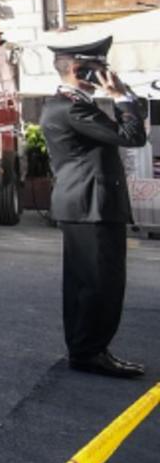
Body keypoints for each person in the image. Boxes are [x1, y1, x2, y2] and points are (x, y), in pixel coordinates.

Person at [42, 38, 148, 378]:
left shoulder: (70, 104)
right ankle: (90, 352)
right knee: (101, 284)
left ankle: (85, 349)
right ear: (79, 70)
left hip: (86, 204)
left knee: (85, 283)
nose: (105, 74)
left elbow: (129, 127)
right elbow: (132, 136)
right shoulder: (73, 108)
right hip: (92, 204)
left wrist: (124, 94)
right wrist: (120, 98)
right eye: (98, 68)